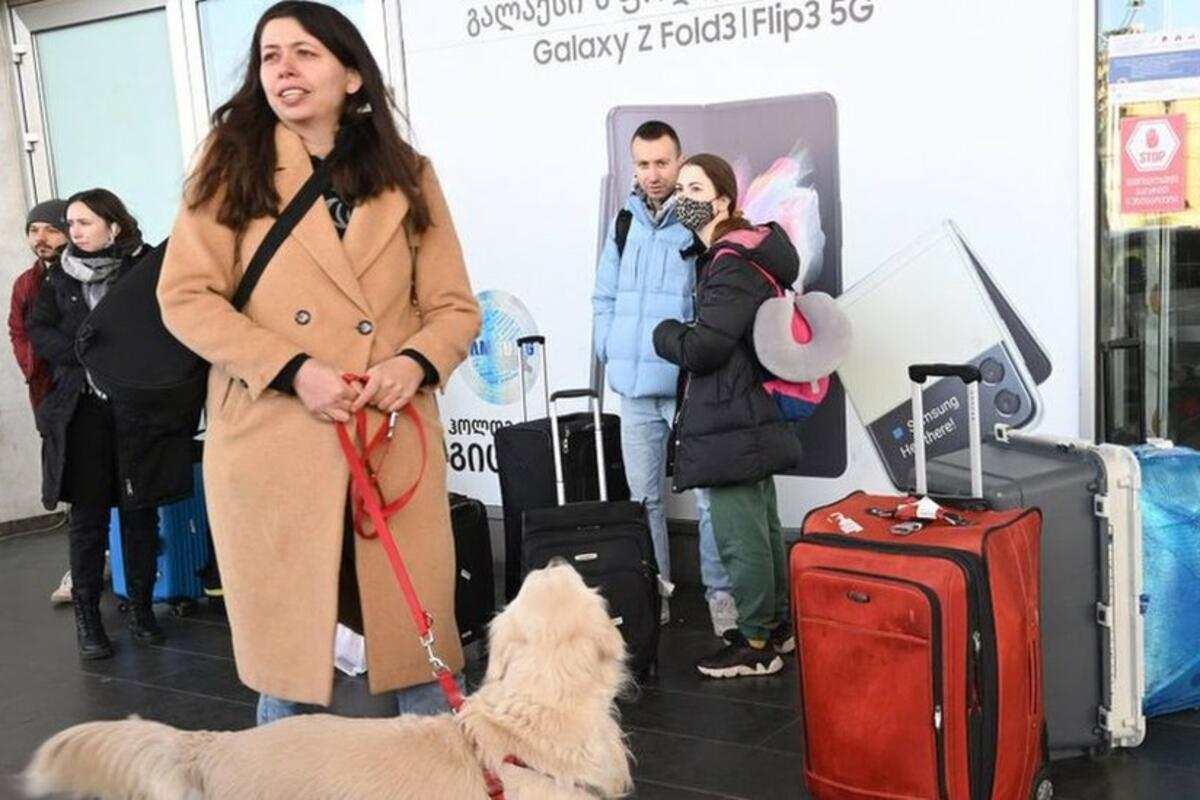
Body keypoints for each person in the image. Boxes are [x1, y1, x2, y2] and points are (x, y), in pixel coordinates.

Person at [158, 1, 481, 725]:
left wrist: (414, 362)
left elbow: (454, 307)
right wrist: (294, 368)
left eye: (304, 53)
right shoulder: (231, 167)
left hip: (388, 436)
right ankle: (284, 773)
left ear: (352, 75)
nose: (284, 70)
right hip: (276, 436)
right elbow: (184, 296)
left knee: (419, 646)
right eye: (270, 56)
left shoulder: (408, 174)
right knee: (292, 657)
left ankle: (440, 772)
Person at [653, 154, 801, 679]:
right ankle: (775, 627)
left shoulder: (731, 262)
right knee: (760, 527)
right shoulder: (741, 254)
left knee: (742, 536)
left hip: (730, 416)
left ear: (722, 201)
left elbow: (706, 348)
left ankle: (756, 642)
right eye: (680, 190)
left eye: (695, 190)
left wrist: (665, 333)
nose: (683, 199)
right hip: (745, 412)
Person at [27, 189, 188, 659]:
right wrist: (86, 353)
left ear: (113, 226)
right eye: (71, 223)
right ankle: (88, 618)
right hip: (82, 412)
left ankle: (140, 608)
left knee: (140, 512)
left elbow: (168, 328)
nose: (73, 232)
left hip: (137, 409)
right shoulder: (59, 275)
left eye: (84, 223)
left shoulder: (147, 269)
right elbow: (39, 330)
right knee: (88, 518)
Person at [591, 121, 737, 634]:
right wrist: (609, 347)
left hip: (687, 386)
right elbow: (604, 297)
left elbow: (721, 288)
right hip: (634, 390)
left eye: (662, 163)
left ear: (679, 162)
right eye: (643, 164)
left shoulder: (697, 216)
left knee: (709, 500)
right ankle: (655, 598)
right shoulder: (624, 221)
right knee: (644, 502)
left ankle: (723, 603)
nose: (652, 174)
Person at [8, 199, 74, 604]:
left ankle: (107, 559)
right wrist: (33, 368)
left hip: (86, 388)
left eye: (50, 229)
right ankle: (86, 564)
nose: (41, 238)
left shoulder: (82, 273)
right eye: (34, 230)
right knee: (66, 476)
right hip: (49, 393)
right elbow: (18, 331)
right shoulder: (26, 283)